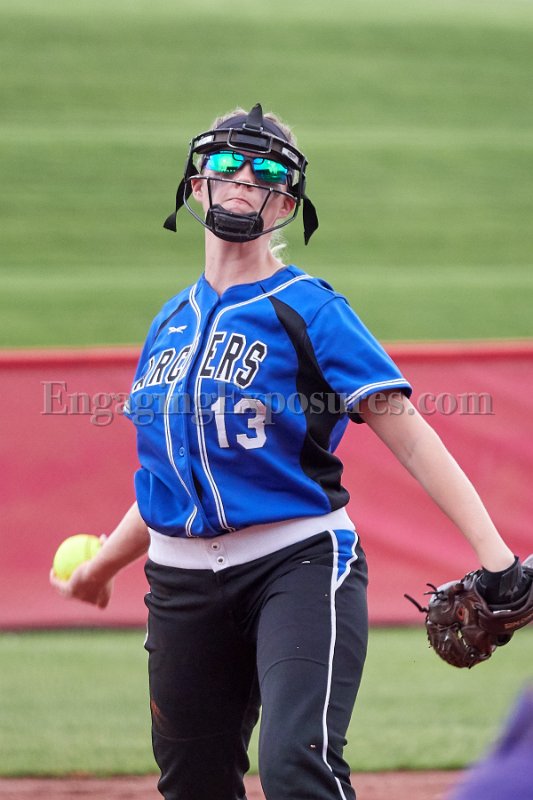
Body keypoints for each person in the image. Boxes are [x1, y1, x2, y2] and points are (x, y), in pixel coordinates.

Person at [50, 103, 531, 800]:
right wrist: (99, 569)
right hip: (180, 584)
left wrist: (499, 563)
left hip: (296, 564)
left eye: (267, 172)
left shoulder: (309, 308)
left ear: (285, 203)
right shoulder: (169, 323)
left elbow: (409, 435)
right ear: (196, 186)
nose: (245, 178)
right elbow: (166, 480)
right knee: (192, 785)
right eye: (227, 163)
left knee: (295, 767)